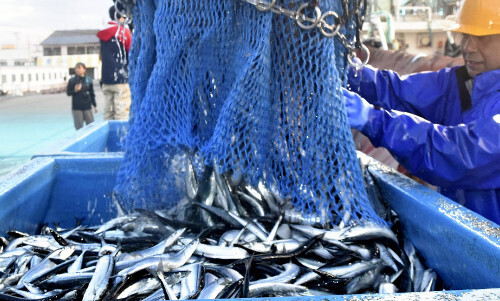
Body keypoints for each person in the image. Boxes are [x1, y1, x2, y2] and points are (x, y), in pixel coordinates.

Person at [342, 0, 500, 224]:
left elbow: (458, 154)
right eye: (465, 35)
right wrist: (349, 72)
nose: (468, 47)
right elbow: (395, 90)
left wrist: (373, 119)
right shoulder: (463, 83)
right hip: (466, 237)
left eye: (481, 38)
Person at [97, 5, 132, 120]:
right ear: (119, 16)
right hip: (121, 78)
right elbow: (131, 51)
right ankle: (121, 137)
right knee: (122, 111)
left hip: (106, 79)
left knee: (108, 111)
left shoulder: (103, 33)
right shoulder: (123, 32)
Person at [67, 62, 97, 130]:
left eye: (79, 68)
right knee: (79, 128)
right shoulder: (72, 80)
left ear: (84, 69)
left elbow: (92, 93)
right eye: (76, 68)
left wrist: (94, 105)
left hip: (87, 106)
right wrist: (75, 90)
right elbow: (68, 93)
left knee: (91, 127)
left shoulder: (88, 80)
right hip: (77, 107)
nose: (77, 70)